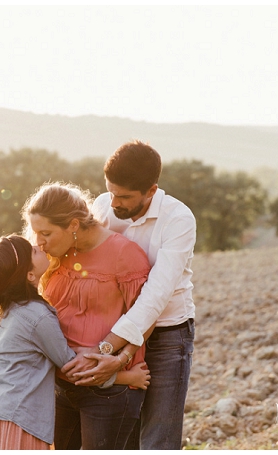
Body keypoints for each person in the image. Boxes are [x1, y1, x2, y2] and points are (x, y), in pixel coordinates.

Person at [62, 140, 196, 450]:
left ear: (151, 190)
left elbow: (155, 295)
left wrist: (109, 348)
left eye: (124, 197)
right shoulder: (104, 206)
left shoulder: (178, 219)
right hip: (111, 330)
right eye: (111, 192)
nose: (114, 203)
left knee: (158, 436)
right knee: (125, 435)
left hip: (167, 334)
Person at [0, 235, 149, 450]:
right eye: (33, 251)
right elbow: (74, 370)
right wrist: (127, 377)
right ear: (29, 274)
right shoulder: (37, 315)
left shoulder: (6, 312)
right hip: (17, 419)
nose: (39, 245)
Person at [24, 182, 152, 450]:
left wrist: (120, 361)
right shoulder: (53, 257)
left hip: (109, 390)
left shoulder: (124, 255)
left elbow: (145, 318)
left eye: (46, 232)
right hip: (60, 386)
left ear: (72, 224)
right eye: (36, 233)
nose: (39, 242)